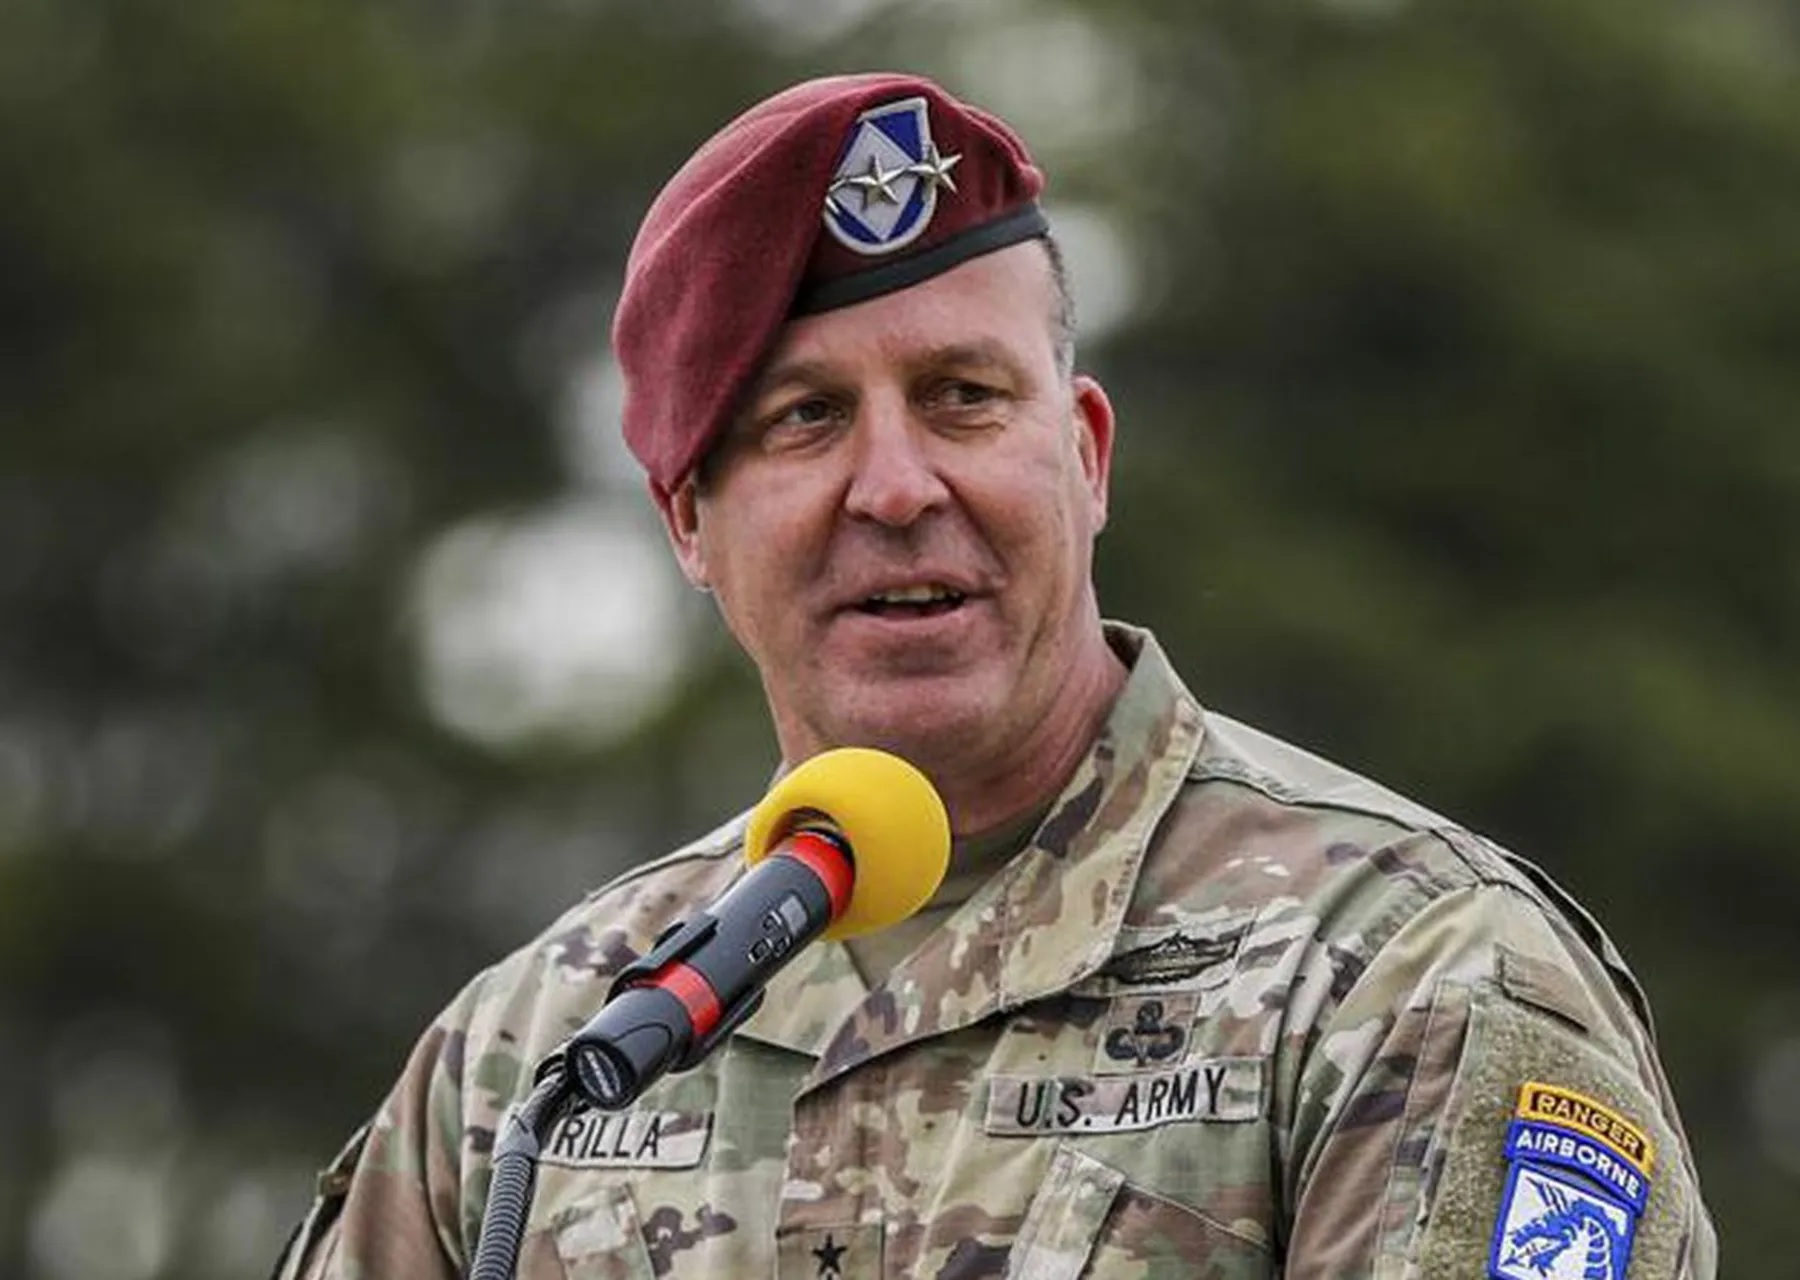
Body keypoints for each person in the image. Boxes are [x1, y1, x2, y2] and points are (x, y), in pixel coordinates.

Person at [277, 73, 1716, 1279]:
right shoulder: (538, 1063)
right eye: (804, 419)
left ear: (1085, 456)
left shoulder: (1409, 971)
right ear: (688, 524)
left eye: (963, 397)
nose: (897, 488)